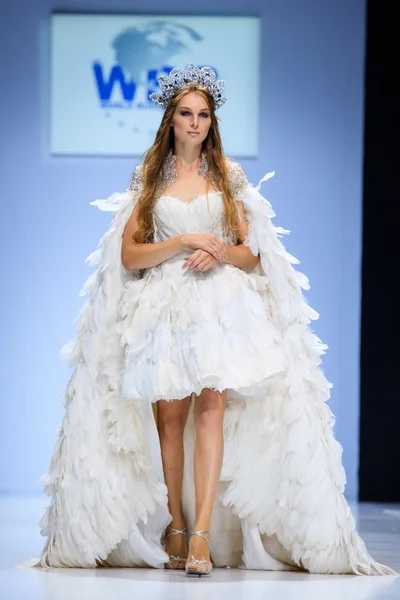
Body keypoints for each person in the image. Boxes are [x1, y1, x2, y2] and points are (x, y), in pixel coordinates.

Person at [26, 65, 396, 577]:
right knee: (170, 420)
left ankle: (200, 534)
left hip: (219, 309)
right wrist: (182, 242)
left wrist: (221, 250)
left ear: (211, 121)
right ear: (170, 119)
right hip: (162, 309)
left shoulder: (227, 176)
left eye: (203, 115)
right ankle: (174, 524)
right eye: (185, 114)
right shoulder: (150, 179)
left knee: (211, 412)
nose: (195, 123)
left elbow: (254, 255)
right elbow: (130, 256)